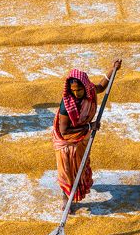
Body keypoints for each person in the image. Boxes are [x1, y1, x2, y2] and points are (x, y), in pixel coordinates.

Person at [51, 60, 121, 204]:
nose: (76, 93)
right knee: (67, 171)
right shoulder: (67, 105)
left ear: (85, 86)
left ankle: (79, 187)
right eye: (74, 90)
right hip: (66, 143)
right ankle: (66, 198)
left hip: (81, 137)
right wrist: (89, 126)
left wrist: (113, 69)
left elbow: (101, 87)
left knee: (81, 167)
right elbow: (64, 131)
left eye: (79, 90)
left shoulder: (89, 90)